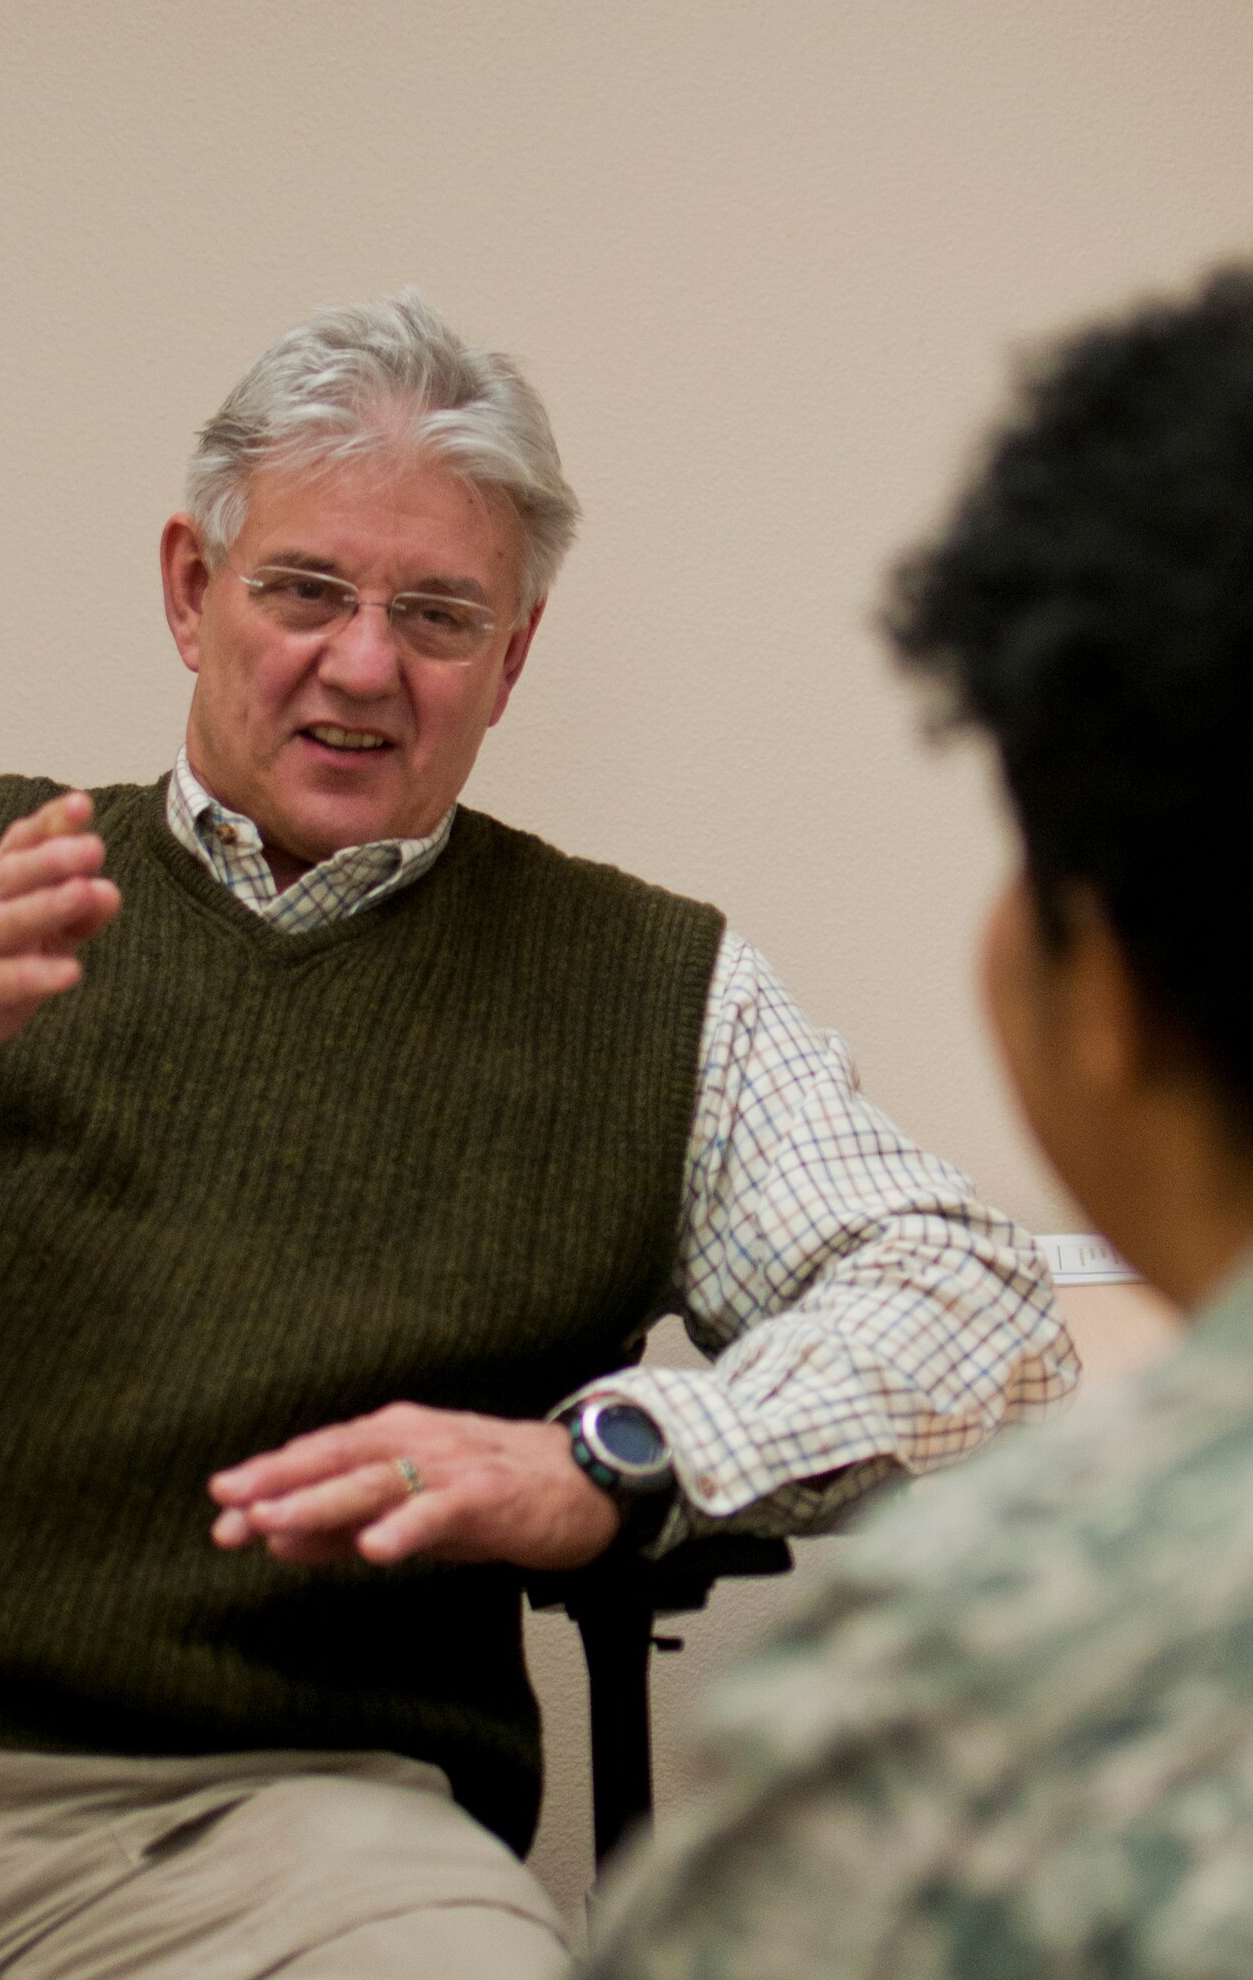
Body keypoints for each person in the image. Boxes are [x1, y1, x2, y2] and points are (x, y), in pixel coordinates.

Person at [0, 290, 1072, 1979]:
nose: (363, 665)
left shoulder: (648, 989)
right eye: (305, 589)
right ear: (189, 590)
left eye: (437, 615)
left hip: (271, 1825)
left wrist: (619, 1461)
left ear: (513, 659)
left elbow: (986, 1318)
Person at [583, 264, 1253, 1980]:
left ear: (1096, 985)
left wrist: (622, 1451)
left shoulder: (967, 1696)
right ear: (190, 592)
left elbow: (944, 1282)